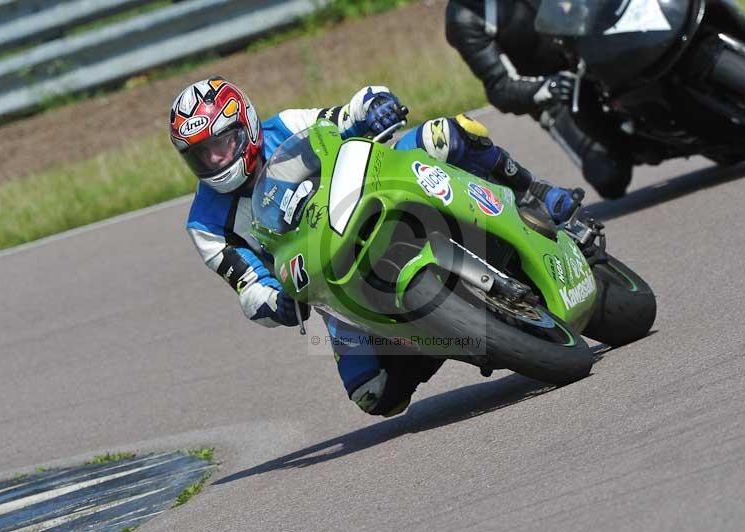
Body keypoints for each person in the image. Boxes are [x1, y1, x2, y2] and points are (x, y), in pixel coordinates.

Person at [170, 77, 581, 417]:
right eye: (201, 156)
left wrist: (375, 104)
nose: (216, 160)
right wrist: (273, 302)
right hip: (326, 276)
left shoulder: (288, 125)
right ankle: (442, 337)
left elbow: (343, 117)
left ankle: (535, 193)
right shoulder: (206, 224)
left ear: (248, 127)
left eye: (222, 144)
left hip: (368, 199)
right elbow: (247, 285)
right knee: (374, 394)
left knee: (448, 133)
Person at [445, 0, 635, 199]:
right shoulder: (463, 18)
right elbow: (500, 86)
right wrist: (548, 87)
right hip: (556, 92)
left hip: (596, 47)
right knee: (608, 176)